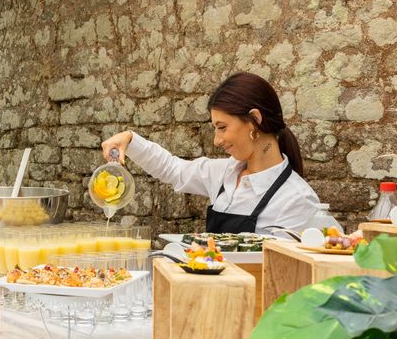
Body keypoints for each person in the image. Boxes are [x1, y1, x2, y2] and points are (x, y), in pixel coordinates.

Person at [101, 72, 320, 234]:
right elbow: (173, 169)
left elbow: (289, 275)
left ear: (255, 119)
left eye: (222, 127)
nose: (217, 140)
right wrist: (130, 139)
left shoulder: (298, 200)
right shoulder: (225, 173)